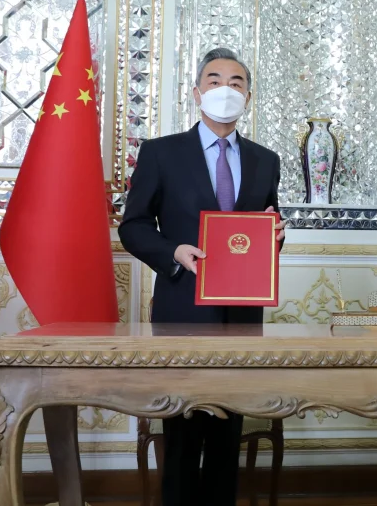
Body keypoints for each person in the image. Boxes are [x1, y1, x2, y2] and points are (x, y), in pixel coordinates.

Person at [118, 47, 285, 506]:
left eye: (236, 82)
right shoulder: (161, 152)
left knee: (227, 428)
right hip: (182, 306)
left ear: (248, 96)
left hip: (242, 311)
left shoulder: (264, 159)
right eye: (214, 80)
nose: (224, 90)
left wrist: (275, 234)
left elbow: (261, 232)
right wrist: (172, 251)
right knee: (183, 427)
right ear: (196, 93)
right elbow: (131, 227)